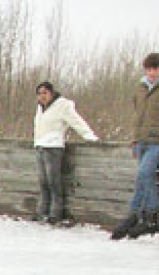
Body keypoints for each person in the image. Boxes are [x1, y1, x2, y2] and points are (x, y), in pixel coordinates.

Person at [32, 81, 99, 226]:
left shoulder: (62, 106)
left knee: (53, 181)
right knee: (43, 182)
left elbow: (76, 122)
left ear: (51, 93)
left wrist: (89, 135)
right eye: (39, 93)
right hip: (40, 146)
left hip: (53, 147)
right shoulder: (40, 108)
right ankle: (42, 211)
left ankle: (55, 213)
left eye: (45, 93)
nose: (42, 96)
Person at [112, 52, 159, 240]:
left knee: (144, 174)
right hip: (141, 141)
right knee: (144, 180)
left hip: (157, 142)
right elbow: (137, 116)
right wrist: (134, 139)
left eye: (155, 69)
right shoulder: (140, 89)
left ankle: (145, 213)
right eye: (149, 69)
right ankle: (141, 216)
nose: (152, 73)